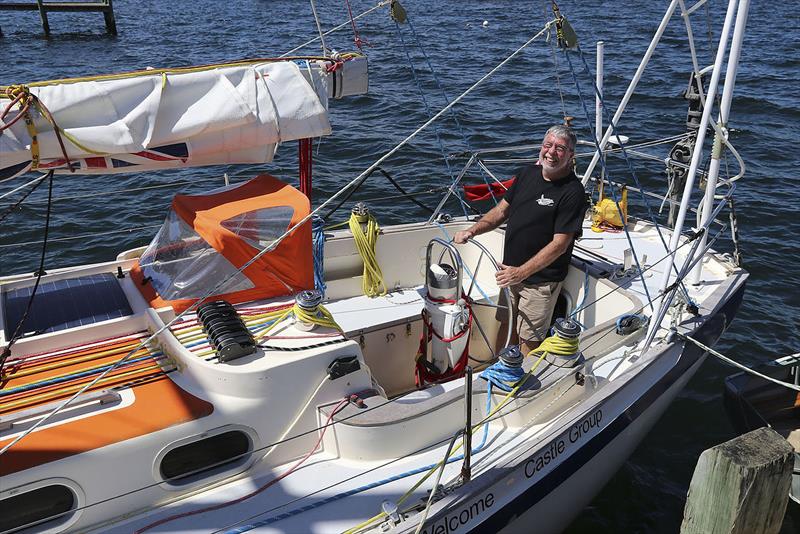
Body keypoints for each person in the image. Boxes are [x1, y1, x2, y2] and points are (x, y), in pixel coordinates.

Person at [454, 125, 588, 353]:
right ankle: (497, 371)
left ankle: (522, 387)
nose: (551, 152)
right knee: (505, 328)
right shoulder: (527, 174)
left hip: (539, 283)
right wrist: (472, 231)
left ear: (570, 156)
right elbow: (501, 211)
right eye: (548, 145)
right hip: (510, 274)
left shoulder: (573, 193)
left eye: (560, 148)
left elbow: (560, 245)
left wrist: (522, 272)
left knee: (528, 341)